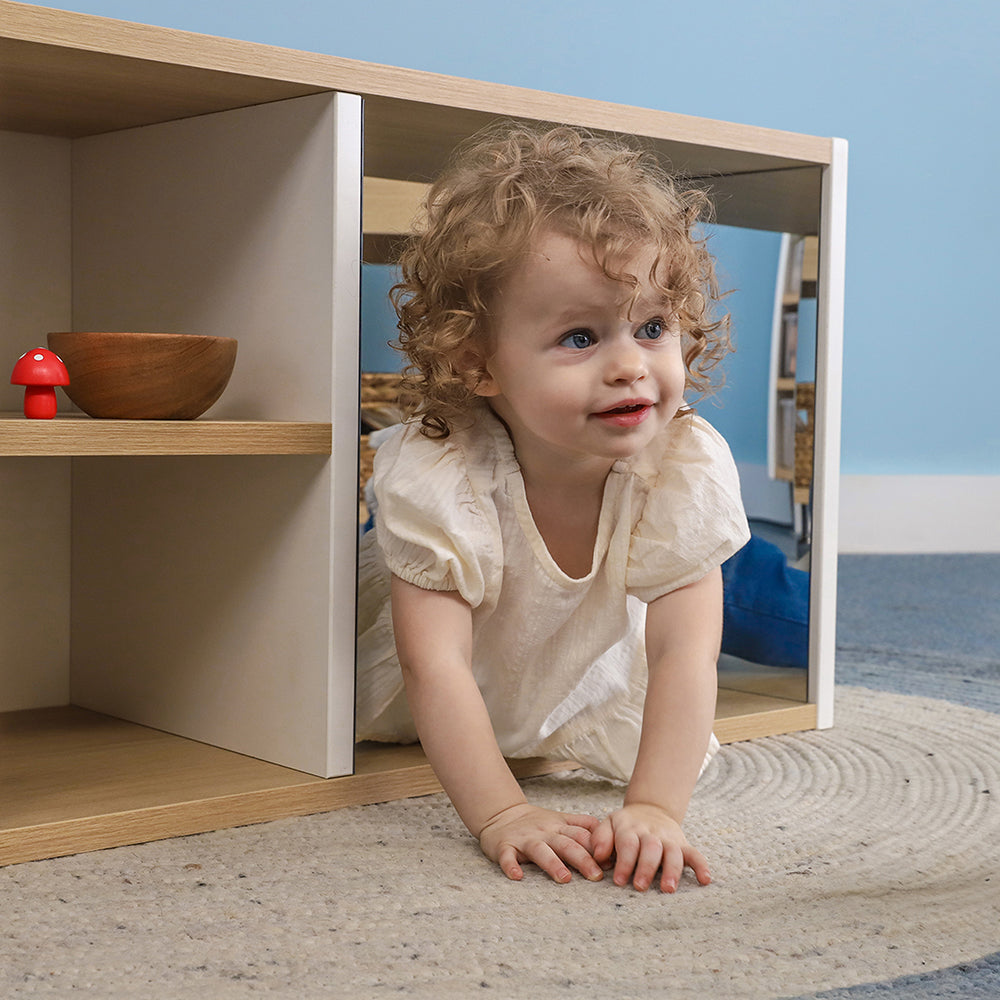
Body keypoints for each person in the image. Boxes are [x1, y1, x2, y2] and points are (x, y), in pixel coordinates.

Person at [356, 124, 750, 893]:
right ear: (478, 364)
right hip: (444, 689)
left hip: (568, 669)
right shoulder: (442, 476)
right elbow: (431, 662)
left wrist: (657, 809)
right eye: (580, 336)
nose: (631, 365)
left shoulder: (682, 465)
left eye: (652, 327)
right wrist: (503, 812)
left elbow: (684, 654)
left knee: (747, 597)